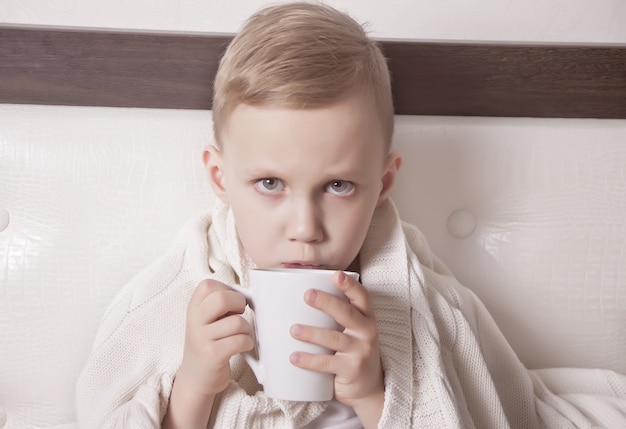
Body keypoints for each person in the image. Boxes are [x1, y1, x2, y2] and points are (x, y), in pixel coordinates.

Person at [76, 2, 626, 428]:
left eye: (338, 186)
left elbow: (484, 407)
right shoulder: (174, 295)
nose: (304, 229)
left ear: (383, 183)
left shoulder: (424, 304)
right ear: (221, 178)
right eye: (270, 184)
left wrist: (374, 393)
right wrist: (194, 384)